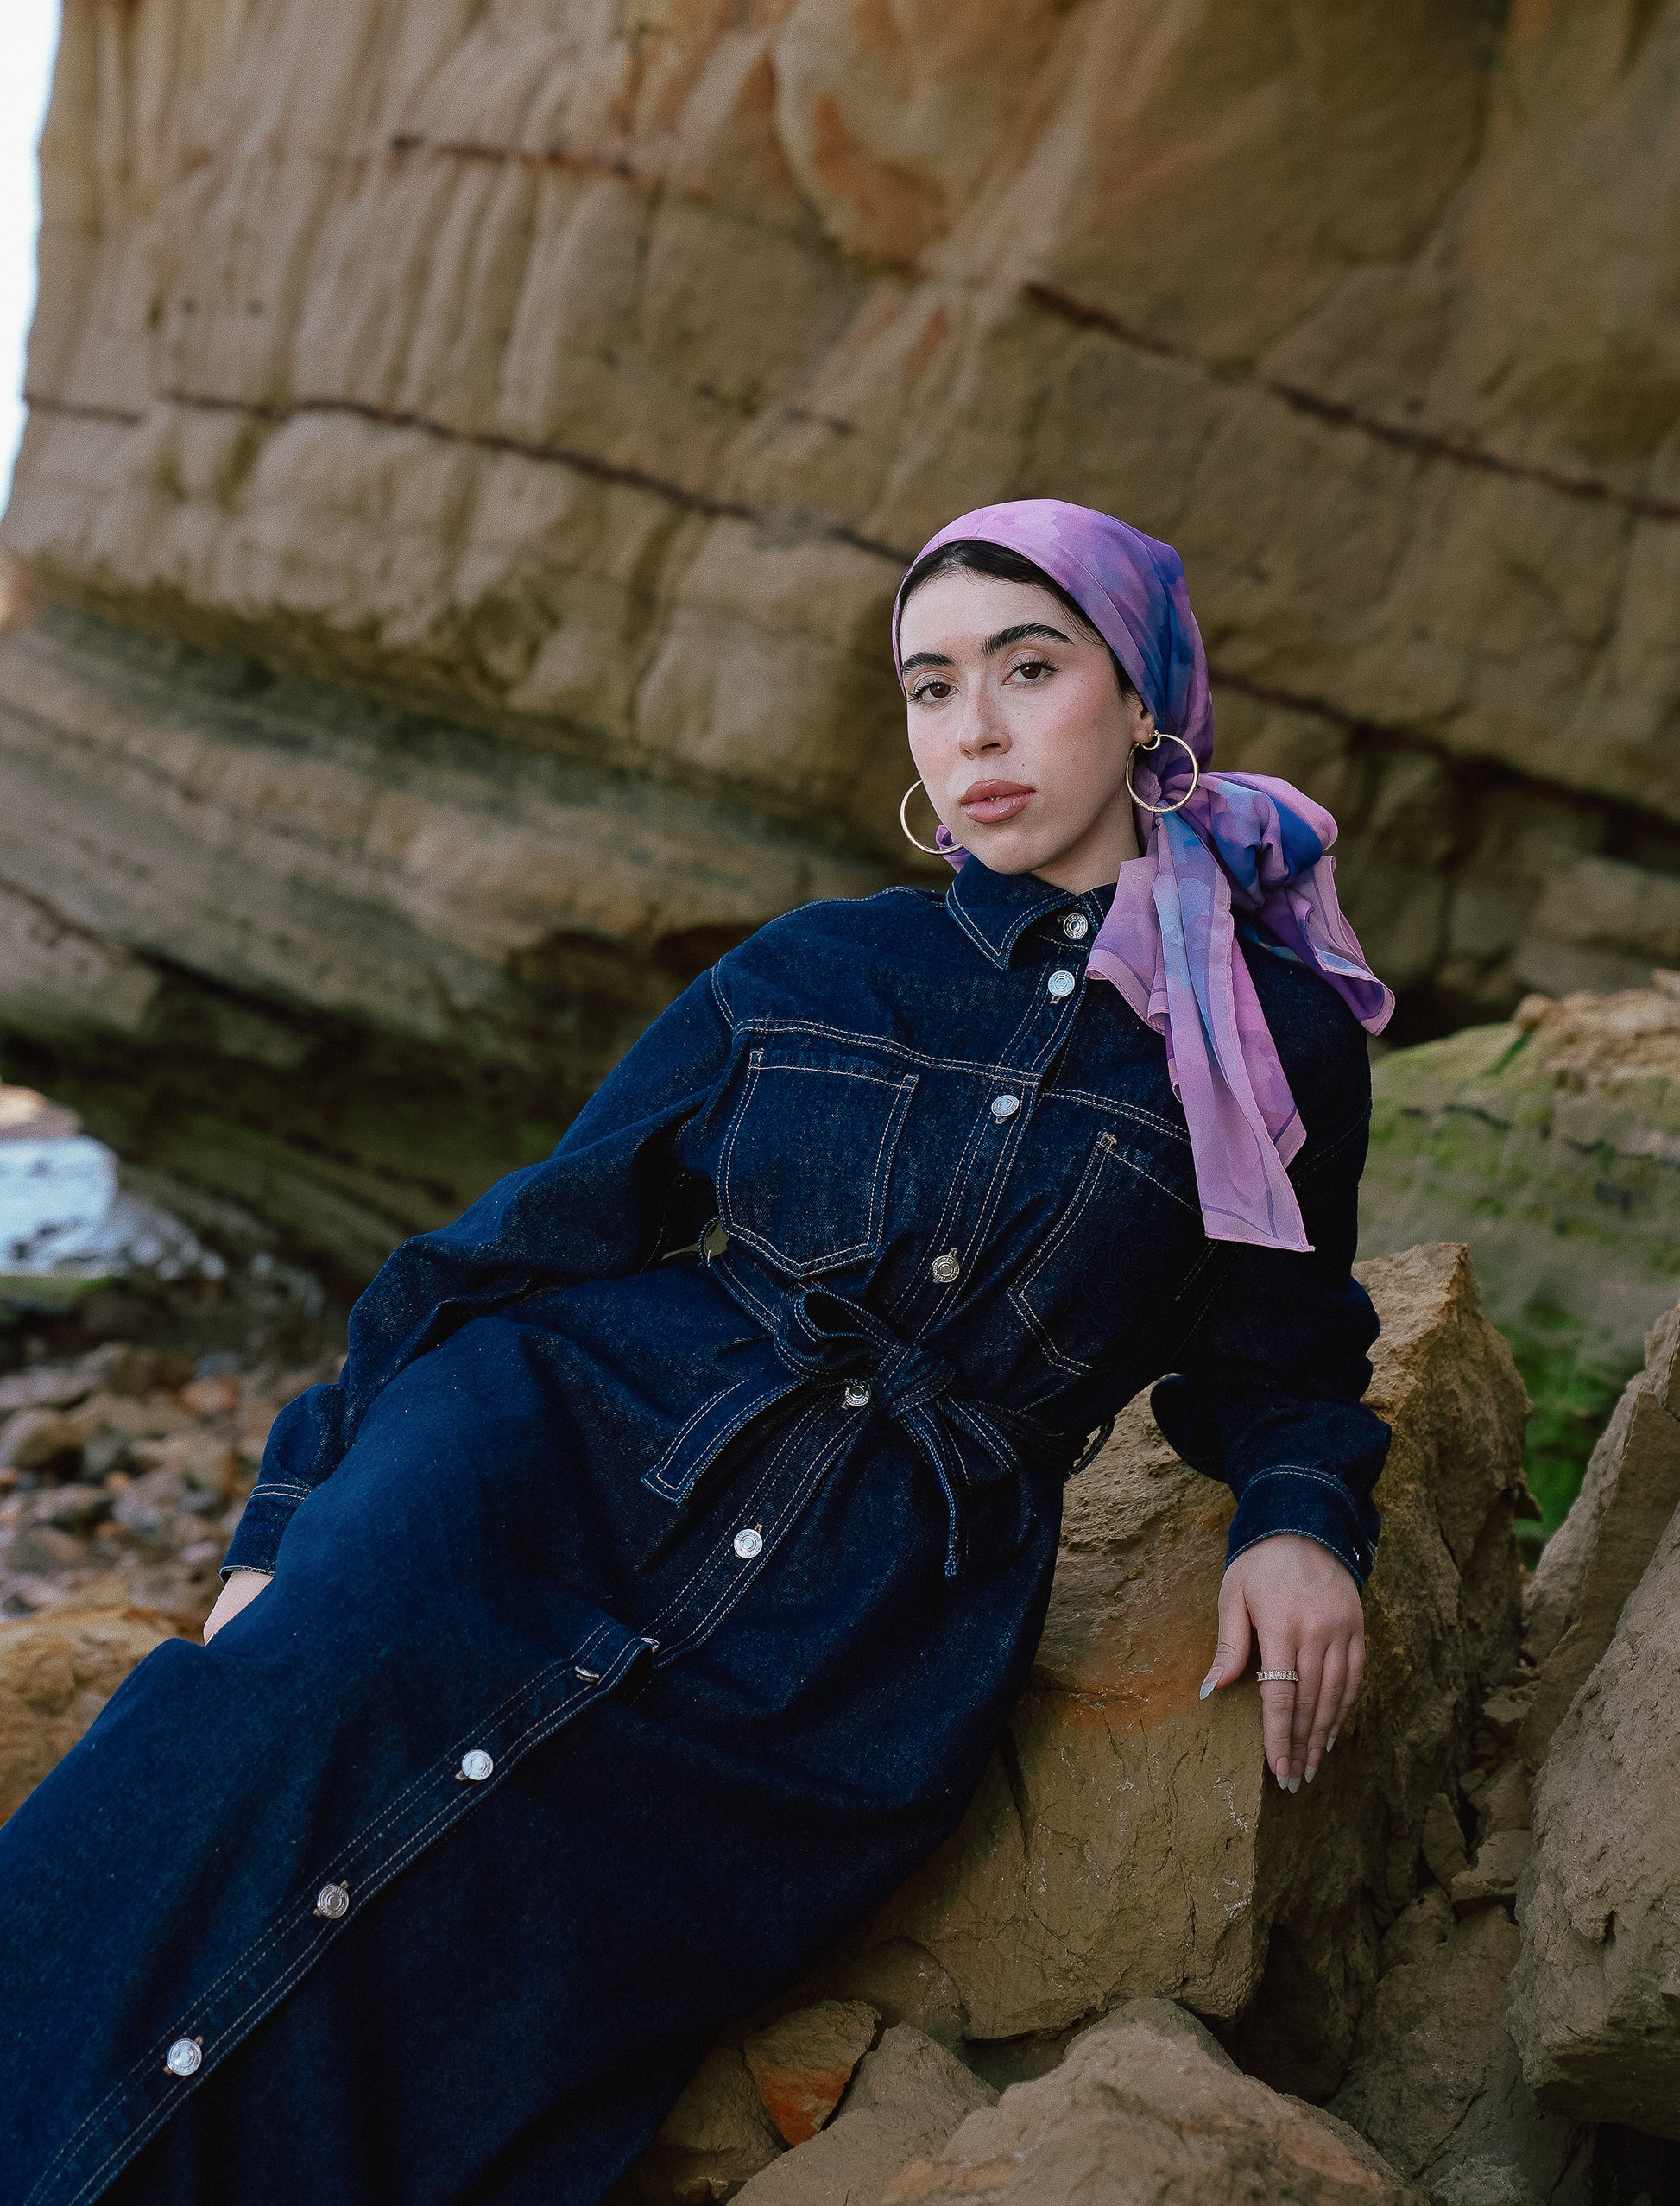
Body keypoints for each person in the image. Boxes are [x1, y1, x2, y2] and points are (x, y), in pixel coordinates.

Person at [0, 502, 1394, 2206]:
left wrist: (1298, 1518)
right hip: (539, 1457)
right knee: (256, 1751)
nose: (974, 729)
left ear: (1144, 694)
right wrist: (285, 1520)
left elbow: (1280, 1348)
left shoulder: (1275, 1035)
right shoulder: (808, 967)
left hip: (853, 1634)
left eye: (1029, 671)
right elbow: (513, 1246)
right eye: (931, 686)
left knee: (538, 1949)